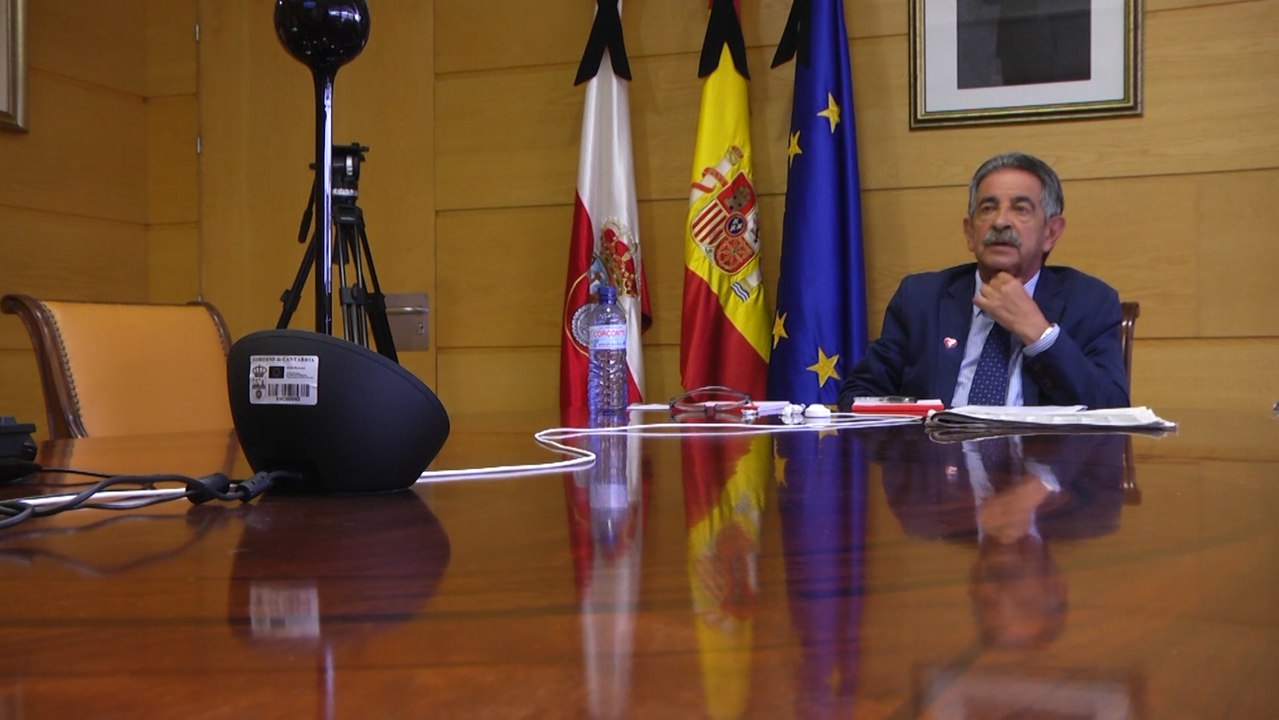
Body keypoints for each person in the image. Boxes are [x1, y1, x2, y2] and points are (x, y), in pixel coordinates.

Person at [838, 151, 1129, 409]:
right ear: (969, 232)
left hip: (1040, 468)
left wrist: (1040, 335)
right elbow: (858, 396)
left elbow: (1112, 410)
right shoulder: (921, 298)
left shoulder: (1090, 302)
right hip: (934, 463)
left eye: (1020, 209)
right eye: (988, 208)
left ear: (1051, 233)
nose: (1001, 222)